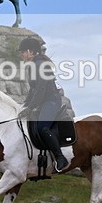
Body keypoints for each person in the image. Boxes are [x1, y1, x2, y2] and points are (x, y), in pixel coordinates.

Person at [18, 37, 69, 173]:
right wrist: (23, 106)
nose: (21, 54)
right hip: (44, 100)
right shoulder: (33, 66)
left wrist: (30, 107)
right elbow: (33, 90)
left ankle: (60, 158)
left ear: (30, 51)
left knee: (42, 127)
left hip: (52, 100)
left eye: (23, 52)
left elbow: (41, 89)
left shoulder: (40, 65)